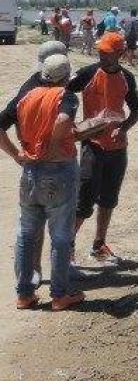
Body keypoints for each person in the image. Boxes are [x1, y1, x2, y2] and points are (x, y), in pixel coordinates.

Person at [0, 55, 85, 311]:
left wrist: (16, 154)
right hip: (58, 171)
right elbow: (61, 120)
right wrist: (51, 146)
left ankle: (24, 294)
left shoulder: (26, 96)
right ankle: (59, 295)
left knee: (26, 234)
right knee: (60, 235)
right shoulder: (65, 96)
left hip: (29, 173)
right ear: (66, 76)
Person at [68, 33, 138, 264]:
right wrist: (71, 123)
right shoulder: (88, 73)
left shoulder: (127, 77)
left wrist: (124, 128)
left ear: (120, 54)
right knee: (84, 200)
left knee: (109, 199)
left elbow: (136, 110)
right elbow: (62, 93)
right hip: (93, 145)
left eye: (107, 53)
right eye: (100, 51)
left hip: (118, 148)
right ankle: (66, 249)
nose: (101, 55)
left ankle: (99, 246)